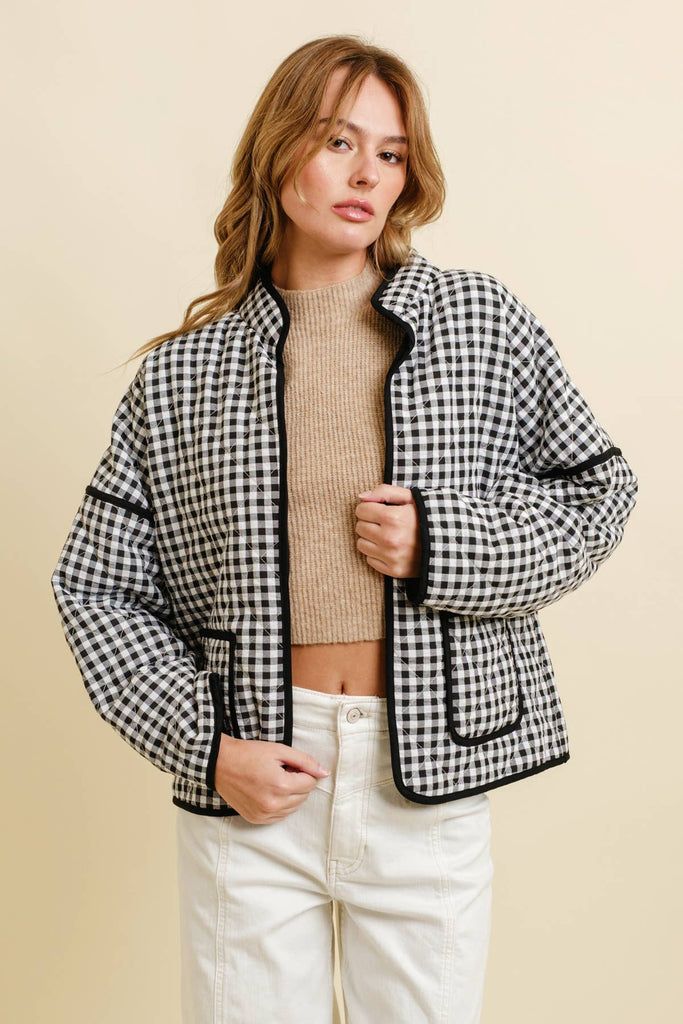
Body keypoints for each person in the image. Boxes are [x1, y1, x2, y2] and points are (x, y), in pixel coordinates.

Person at [50, 34, 638, 1024]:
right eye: (337, 141)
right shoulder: (183, 374)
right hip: (254, 776)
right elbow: (97, 587)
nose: (368, 173)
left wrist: (444, 544)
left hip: (425, 773)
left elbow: (596, 491)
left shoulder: (476, 323)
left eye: (391, 152)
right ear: (278, 150)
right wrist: (206, 748)